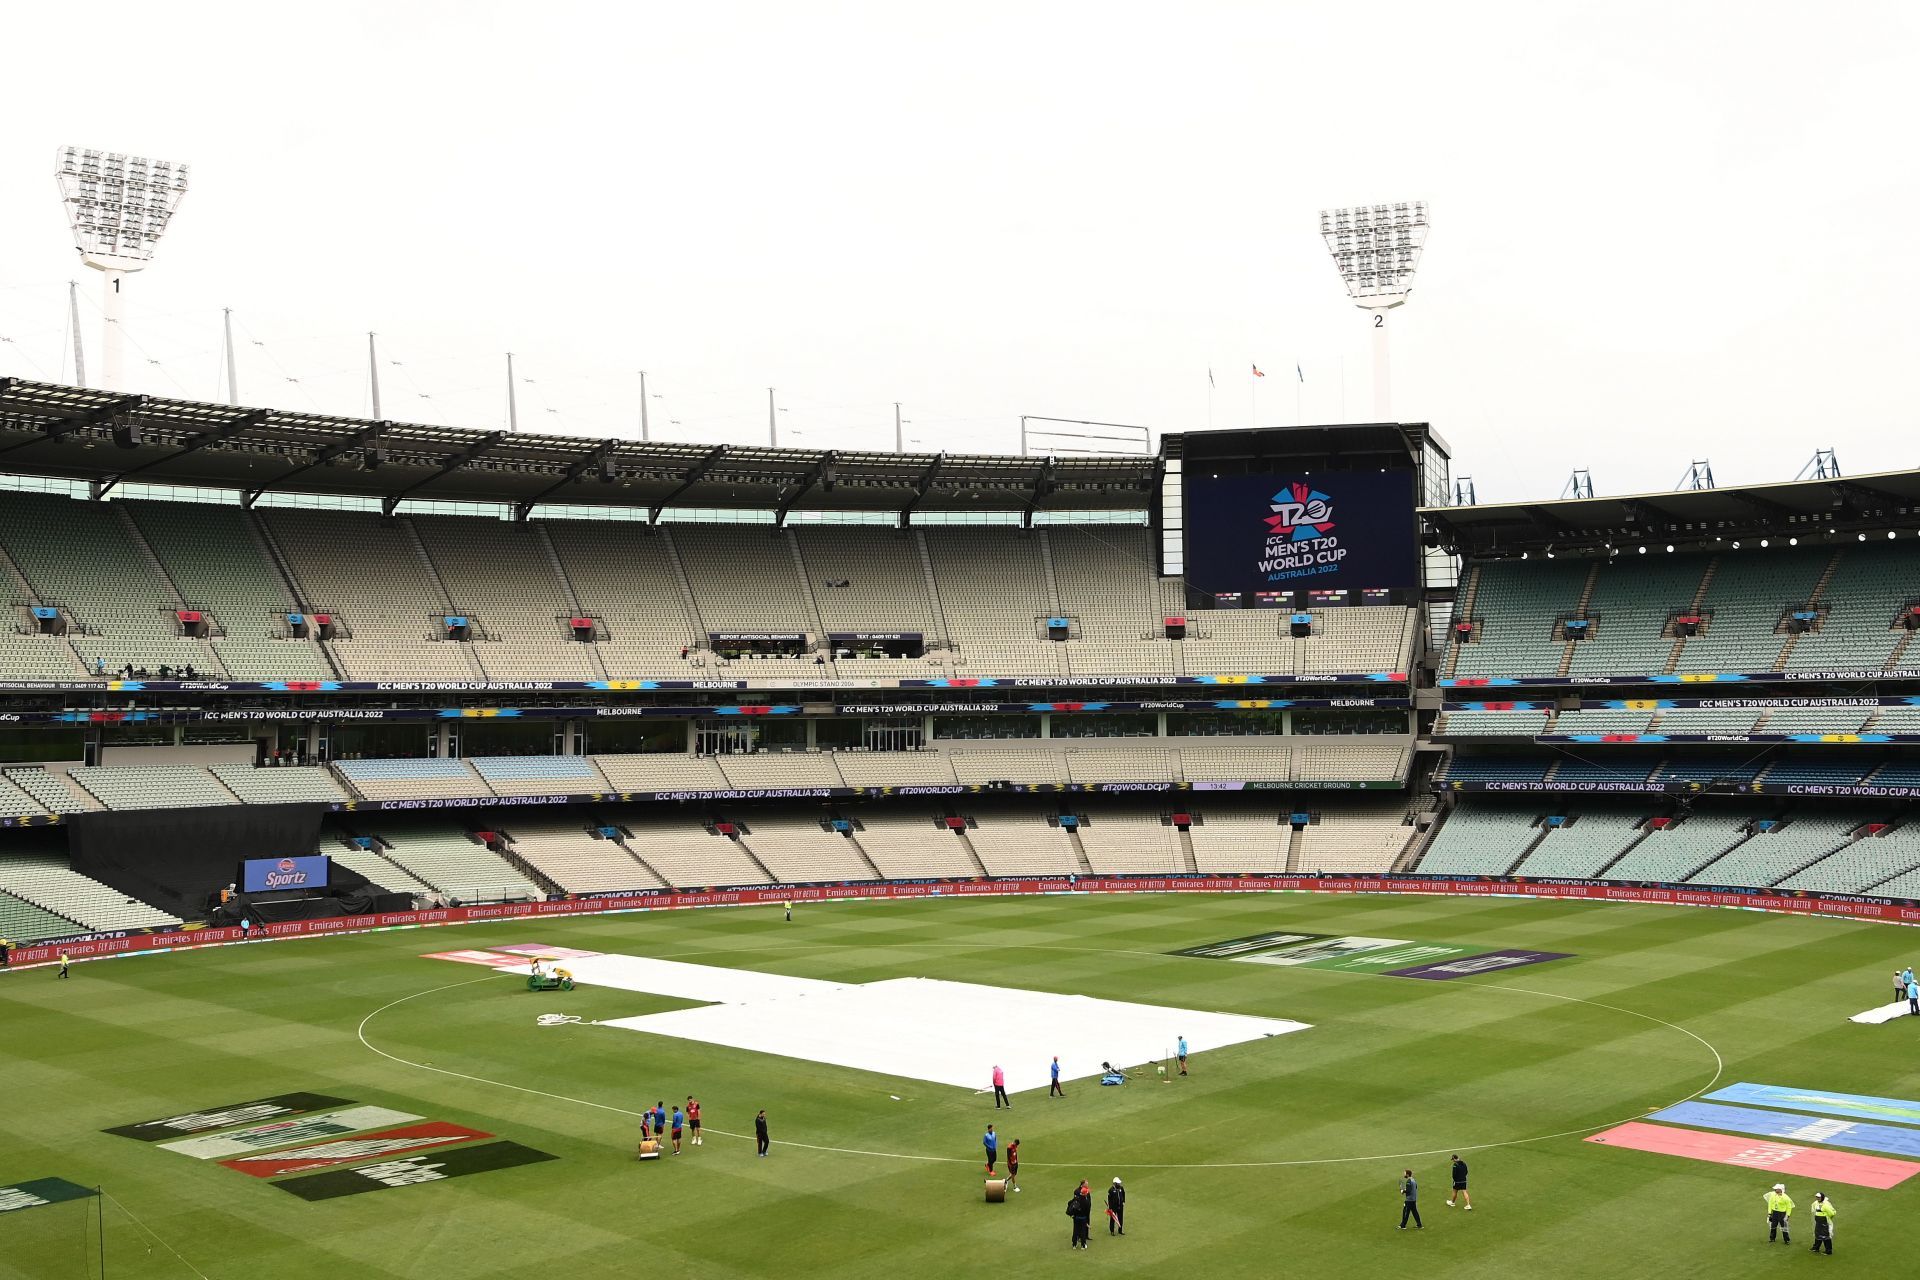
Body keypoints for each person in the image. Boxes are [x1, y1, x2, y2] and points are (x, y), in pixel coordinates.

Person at [1068, 1180, 1092, 1250]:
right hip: (1083, 1218)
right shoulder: (1086, 1202)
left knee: (1075, 1230)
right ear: (1084, 1194)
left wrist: (1072, 1214)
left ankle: (1074, 1245)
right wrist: (1087, 1222)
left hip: (1076, 1218)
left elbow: (1070, 1203)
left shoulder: (1076, 1199)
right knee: (1083, 1231)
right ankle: (1083, 1245)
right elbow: (1087, 1211)